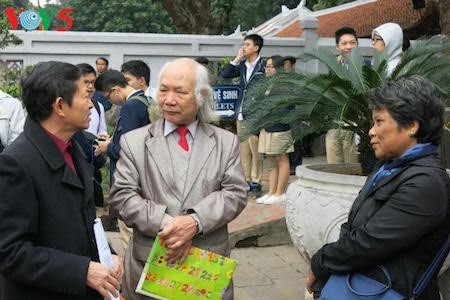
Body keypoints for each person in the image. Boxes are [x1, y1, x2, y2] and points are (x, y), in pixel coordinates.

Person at [109, 58, 248, 300]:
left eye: (180, 92)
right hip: (150, 264)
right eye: (163, 90)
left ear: (201, 96)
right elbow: (122, 196)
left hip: (205, 267)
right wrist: (169, 226)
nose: (169, 100)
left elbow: (235, 193)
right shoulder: (134, 142)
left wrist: (195, 222)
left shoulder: (226, 142)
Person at [306, 75, 450, 299]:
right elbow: (353, 229)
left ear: (412, 125)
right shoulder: (389, 168)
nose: (371, 131)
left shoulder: (425, 182)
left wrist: (320, 262)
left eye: (379, 122)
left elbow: (369, 243)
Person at [0, 61, 123, 300]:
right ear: (59, 106)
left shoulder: (74, 147)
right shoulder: (16, 164)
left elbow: (85, 222)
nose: (91, 104)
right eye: (84, 96)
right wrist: (81, 271)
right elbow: (10, 253)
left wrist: (108, 255)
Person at [221, 33, 266, 197]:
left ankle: (256, 181)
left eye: (247, 45)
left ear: (256, 47)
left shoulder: (264, 65)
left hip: (255, 113)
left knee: (256, 151)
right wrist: (237, 59)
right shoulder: (242, 66)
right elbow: (225, 75)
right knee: (244, 150)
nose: (243, 47)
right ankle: (245, 181)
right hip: (241, 112)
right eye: (243, 44)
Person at [256, 55, 294, 205]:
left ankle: (280, 192)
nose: (267, 69)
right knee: (271, 160)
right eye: (266, 66)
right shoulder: (267, 84)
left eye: (270, 66)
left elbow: (289, 106)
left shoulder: (285, 84)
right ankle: (271, 191)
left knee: (282, 159)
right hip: (267, 127)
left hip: (280, 127)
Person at [325, 26, 359, 164]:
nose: (348, 46)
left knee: (352, 165)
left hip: (356, 124)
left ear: (357, 44)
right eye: (344, 43)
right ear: (337, 47)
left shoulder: (366, 67)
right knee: (333, 165)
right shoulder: (333, 67)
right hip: (335, 123)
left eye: (352, 43)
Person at [76, 63, 108, 138]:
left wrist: (102, 137)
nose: (90, 86)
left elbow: (102, 131)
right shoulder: (68, 106)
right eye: (86, 82)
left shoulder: (98, 106)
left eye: (93, 82)